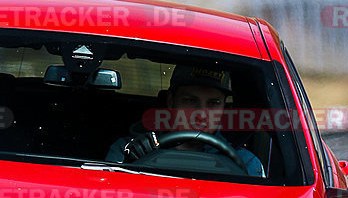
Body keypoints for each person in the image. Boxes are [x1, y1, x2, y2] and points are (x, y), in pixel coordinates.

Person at [106, 64, 265, 176]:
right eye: (191, 101)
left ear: (224, 107)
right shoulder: (127, 151)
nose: (202, 115)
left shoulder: (246, 164)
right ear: (170, 101)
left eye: (213, 104)